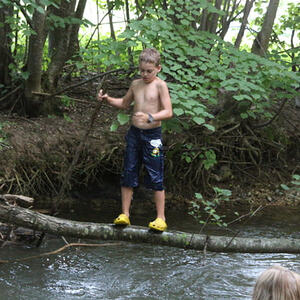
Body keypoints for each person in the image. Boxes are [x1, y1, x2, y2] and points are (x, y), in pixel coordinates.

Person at [97, 48, 173, 231]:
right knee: (129, 171)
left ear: (158, 68)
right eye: (142, 70)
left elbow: (168, 112)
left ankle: (160, 218)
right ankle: (125, 214)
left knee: (156, 174)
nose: (145, 74)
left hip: (153, 137)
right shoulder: (135, 84)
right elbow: (124, 103)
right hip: (134, 134)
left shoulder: (160, 85)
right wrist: (107, 99)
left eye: (149, 71)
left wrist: (151, 117)